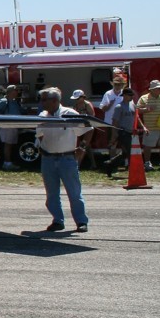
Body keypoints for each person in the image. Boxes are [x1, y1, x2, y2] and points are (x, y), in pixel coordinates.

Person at [35, 87, 92, 233]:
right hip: (48, 159)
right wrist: (42, 146)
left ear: (54, 101)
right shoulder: (42, 116)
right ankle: (57, 221)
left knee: (74, 192)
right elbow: (39, 134)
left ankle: (81, 221)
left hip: (67, 158)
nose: (41, 103)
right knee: (51, 193)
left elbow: (88, 129)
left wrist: (83, 147)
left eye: (44, 100)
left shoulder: (70, 114)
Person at [137, 80, 160, 171]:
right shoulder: (144, 98)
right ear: (152, 90)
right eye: (159, 88)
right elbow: (137, 110)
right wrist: (147, 109)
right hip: (150, 127)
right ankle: (147, 163)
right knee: (148, 146)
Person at [107, 87, 140, 176]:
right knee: (130, 151)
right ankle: (132, 171)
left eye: (132, 95)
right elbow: (115, 121)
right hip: (123, 132)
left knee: (125, 153)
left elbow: (136, 117)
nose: (131, 97)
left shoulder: (132, 105)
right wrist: (114, 134)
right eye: (130, 95)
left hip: (131, 132)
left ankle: (110, 164)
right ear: (124, 96)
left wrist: (142, 127)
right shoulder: (119, 107)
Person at [99, 73, 129, 167]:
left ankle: (126, 163)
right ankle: (112, 163)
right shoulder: (108, 94)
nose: (117, 86)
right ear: (113, 84)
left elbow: (130, 107)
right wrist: (110, 104)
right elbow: (103, 109)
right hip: (110, 122)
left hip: (123, 123)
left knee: (125, 143)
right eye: (116, 84)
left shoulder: (126, 94)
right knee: (112, 144)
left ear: (122, 85)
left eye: (119, 84)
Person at [0, 84, 24, 170]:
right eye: (15, 90)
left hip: (13, 126)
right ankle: (7, 163)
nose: (17, 92)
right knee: (8, 145)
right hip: (7, 126)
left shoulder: (14, 101)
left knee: (10, 145)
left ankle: (9, 162)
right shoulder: (4, 101)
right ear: (11, 92)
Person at [70, 90, 98, 168]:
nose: (77, 100)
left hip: (89, 128)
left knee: (85, 145)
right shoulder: (75, 106)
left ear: (83, 97)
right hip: (80, 128)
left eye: (78, 98)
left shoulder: (87, 104)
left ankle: (79, 164)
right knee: (85, 146)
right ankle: (91, 164)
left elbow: (92, 116)